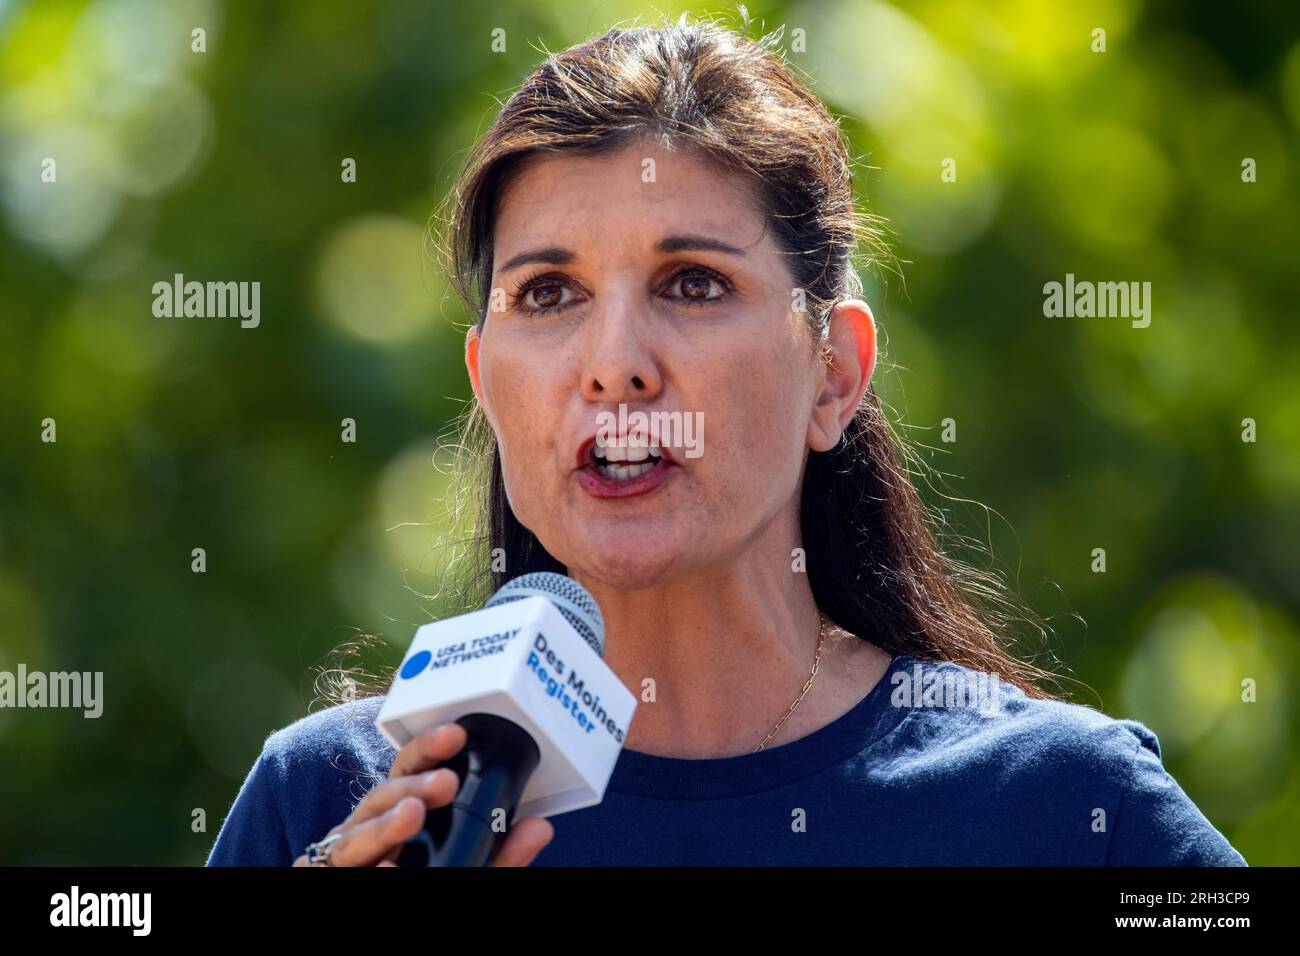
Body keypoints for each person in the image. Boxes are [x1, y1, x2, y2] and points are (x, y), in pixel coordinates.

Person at [207, 18, 1246, 867]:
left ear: (832, 374)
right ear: (485, 383)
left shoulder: (1065, 809)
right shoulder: (329, 804)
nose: (613, 363)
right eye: (550, 293)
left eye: (692, 283)